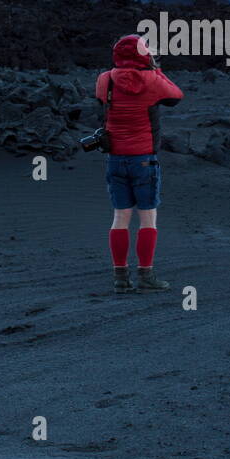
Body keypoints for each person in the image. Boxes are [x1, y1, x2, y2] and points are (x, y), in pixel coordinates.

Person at [96, 34, 183, 294]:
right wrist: (156, 69)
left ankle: (120, 278)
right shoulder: (152, 80)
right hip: (144, 159)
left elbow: (101, 101)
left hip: (115, 158)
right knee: (148, 218)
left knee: (120, 217)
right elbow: (176, 96)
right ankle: (146, 274)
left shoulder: (105, 79)